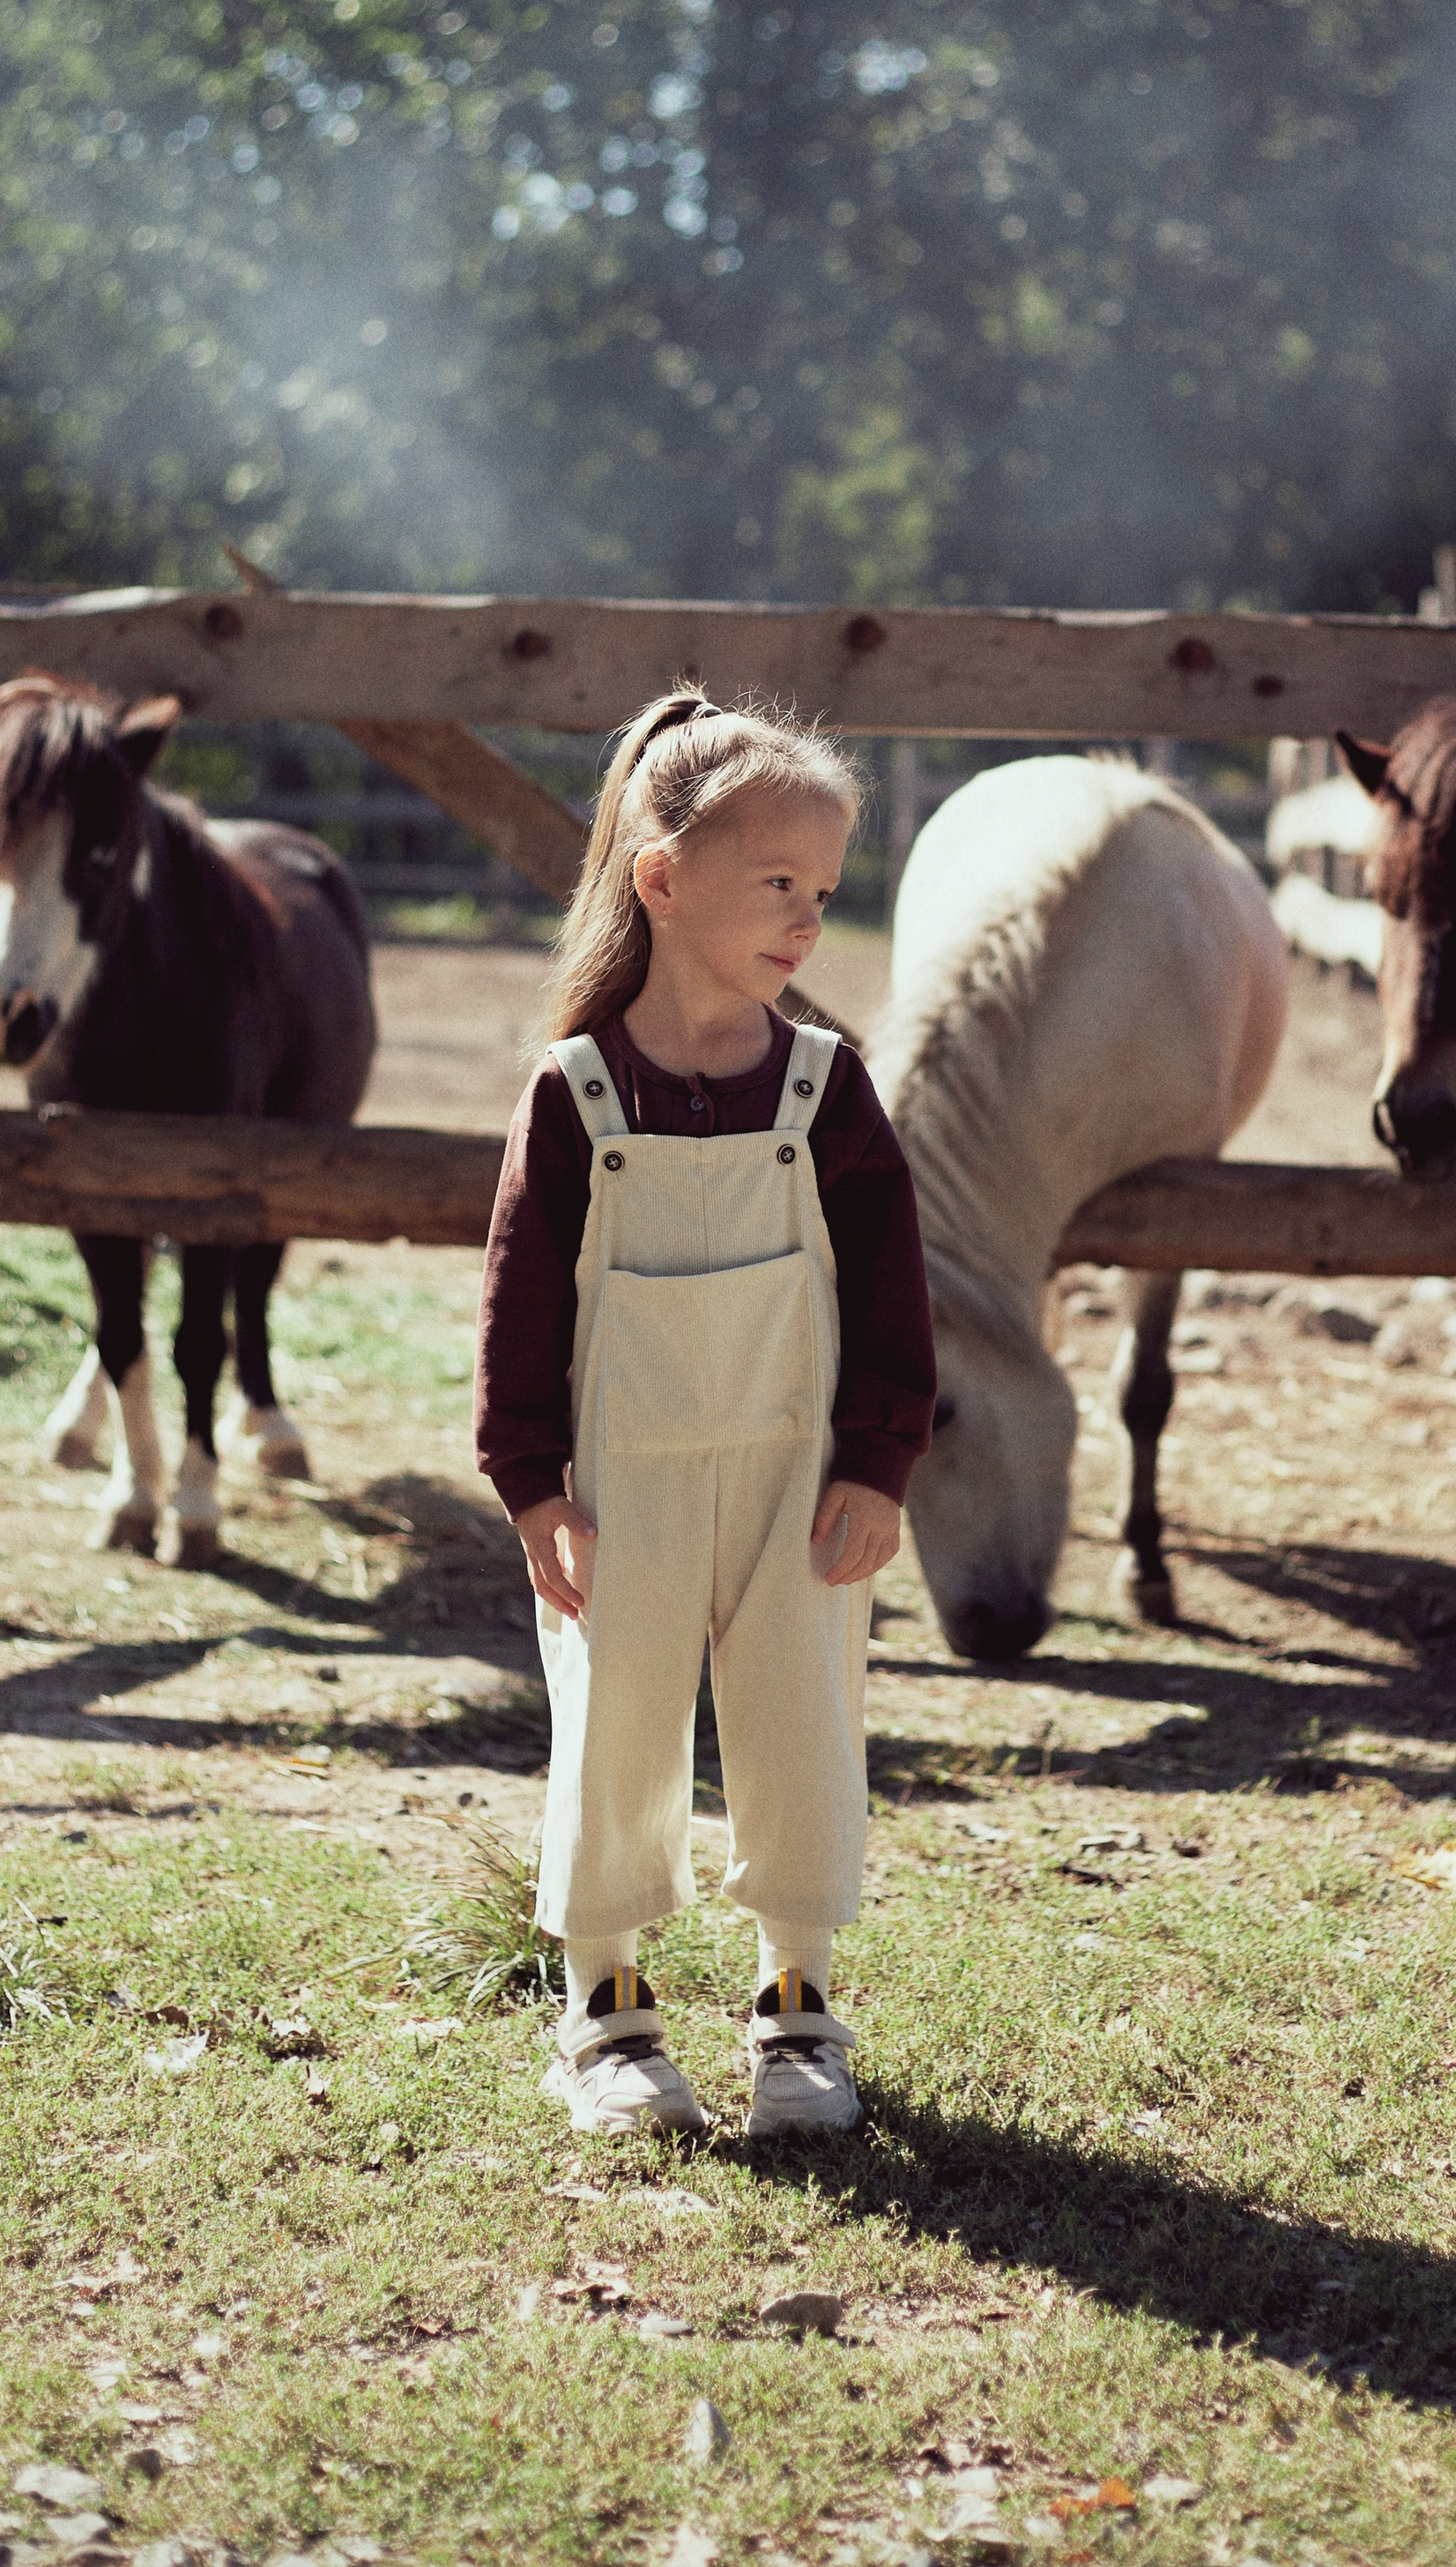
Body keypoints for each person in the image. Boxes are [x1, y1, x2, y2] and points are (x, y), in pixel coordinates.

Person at [473, 686, 936, 2140]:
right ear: (662, 880)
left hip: (800, 1480)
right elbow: (519, 1304)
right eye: (778, 884)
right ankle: (605, 2008)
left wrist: (878, 1459)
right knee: (614, 1724)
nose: (809, 918)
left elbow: (893, 1296)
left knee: (804, 1722)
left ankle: (796, 1998)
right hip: (623, 1486)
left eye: (824, 890)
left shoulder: (827, 1090)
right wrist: (531, 1486)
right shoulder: (575, 1096)